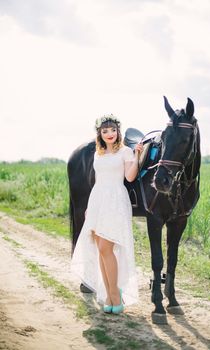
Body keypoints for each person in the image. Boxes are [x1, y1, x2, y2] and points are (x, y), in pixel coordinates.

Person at [71, 114, 143, 314]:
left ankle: (115, 294)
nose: (109, 134)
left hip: (115, 201)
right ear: (100, 134)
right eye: (105, 131)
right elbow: (98, 180)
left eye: (113, 130)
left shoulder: (125, 151)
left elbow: (129, 177)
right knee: (100, 249)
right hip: (98, 201)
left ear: (118, 131)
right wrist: (89, 206)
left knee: (106, 247)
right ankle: (111, 296)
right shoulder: (98, 153)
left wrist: (137, 156)